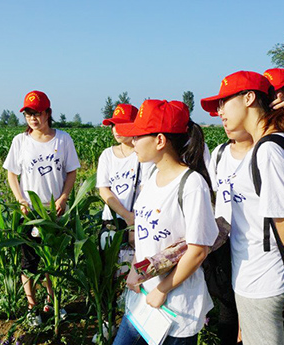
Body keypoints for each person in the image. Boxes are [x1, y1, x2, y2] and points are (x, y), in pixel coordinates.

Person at [201, 70, 284, 345]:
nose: (220, 111)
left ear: (248, 98)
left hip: (263, 277)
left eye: (224, 102)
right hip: (249, 275)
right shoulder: (265, 146)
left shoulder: (268, 150)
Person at [112, 99, 218, 345]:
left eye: (138, 136)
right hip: (144, 300)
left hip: (176, 309)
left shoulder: (191, 184)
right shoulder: (151, 176)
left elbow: (198, 250)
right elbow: (145, 232)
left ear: (160, 140)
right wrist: (136, 270)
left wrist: (163, 289)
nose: (133, 142)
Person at [3, 90, 80, 326]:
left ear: (48, 113)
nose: (33, 119)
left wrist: (64, 198)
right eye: (28, 114)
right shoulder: (21, 141)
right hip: (30, 213)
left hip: (54, 211)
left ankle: (52, 301)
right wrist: (20, 200)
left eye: (37, 113)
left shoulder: (63, 139)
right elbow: (11, 174)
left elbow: (71, 171)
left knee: (52, 261)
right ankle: (31, 307)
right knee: (29, 262)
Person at [208, 124, 253, 345]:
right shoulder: (219, 153)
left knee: (253, 317)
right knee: (228, 307)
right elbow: (213, 197)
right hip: (225, 245)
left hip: (255, 249)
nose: (225, 120)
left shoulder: (265, 153)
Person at [97, 103, 139, 270]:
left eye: (121, 125)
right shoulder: (107, 155)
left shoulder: (142, 154)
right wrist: (126, 216)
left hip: (136, 222)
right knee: (109, 271)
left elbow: (145, 190)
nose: (116, 130)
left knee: (131, 273)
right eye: (114, 125)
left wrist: (133, 223)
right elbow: (104, 190)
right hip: (112, 221)